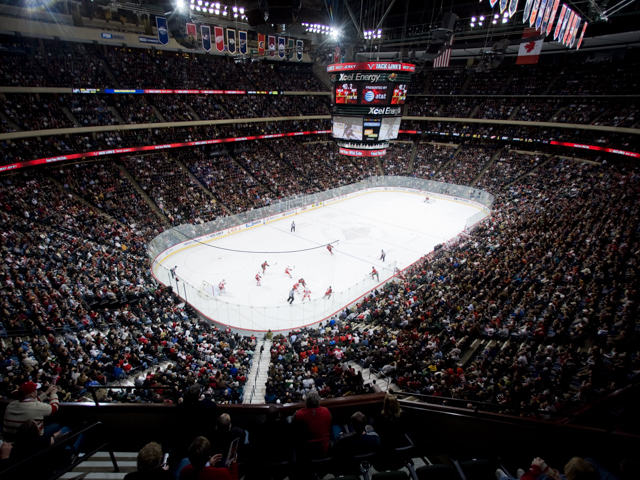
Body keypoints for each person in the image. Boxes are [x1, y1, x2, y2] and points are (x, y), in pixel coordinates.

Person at [294, 391, 331, 460]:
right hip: (324, 449)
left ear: (306, 402)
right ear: (319, 401)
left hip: (306, 451)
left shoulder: (299, 414)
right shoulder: (326, 411)